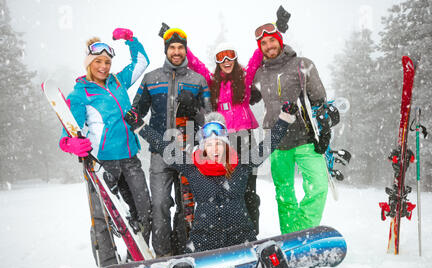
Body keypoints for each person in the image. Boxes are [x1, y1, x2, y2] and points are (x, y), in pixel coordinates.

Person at [125, 105, 299, 253]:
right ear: (203, 147)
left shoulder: (241, 164)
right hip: (205, 244)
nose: (215, 148)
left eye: (218, 144)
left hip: (242, 241)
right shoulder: (192, 167)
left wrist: (285, 118)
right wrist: (140, 126)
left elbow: (267, 145)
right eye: (209, 144)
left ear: (226, 145)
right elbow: (163, 146)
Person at [58, 28, 151, 267]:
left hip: (130, 157)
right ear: (89, 63)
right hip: (102, 162)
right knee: (103, 216)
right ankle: (108, 264)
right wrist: (72, 143)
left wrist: (131, 40)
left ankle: (136, 257)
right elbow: (67, 134)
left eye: (107, 62)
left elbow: (142, 62)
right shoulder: (80, 94)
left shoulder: (118, 81)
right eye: (98, 61)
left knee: (143, 208)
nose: (104, 66)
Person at [131, 28, 212, 257]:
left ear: (185, 50)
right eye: (172, 48)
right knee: (159, 205)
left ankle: (187, 250)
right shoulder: (151, 78)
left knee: (188, 206)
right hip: (160, 152)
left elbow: (211, 119)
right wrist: (133, 117)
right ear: (166, 50)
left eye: (180, 47)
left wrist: (195, 110)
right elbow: (137, 112)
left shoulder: (198, 80)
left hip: (189, 151)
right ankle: (163, 255)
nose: (176, 52)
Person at [252, 22, 329, 234]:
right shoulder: (260, 73)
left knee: (319, 187)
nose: (269, 46)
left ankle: (301, 230)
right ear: (260, 48)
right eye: (263, 43)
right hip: (276, 141)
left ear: (280, 39)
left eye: (272, 40)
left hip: (305, 137)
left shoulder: (302, 64)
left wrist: (325, 127)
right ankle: (289, 238)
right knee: (284, 194)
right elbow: (247, 97)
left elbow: (320, 101)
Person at [186, 42, 264, 235]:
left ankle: (251, 232)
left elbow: (256, 61)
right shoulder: (213, 82)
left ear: (235, 58)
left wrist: (274, 31)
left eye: (230, 56)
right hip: (223, 141)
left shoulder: (244, 78)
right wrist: (182, 43)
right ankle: (227, 231)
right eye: (221, 57)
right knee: (227, 188)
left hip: (244, 137)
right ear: (217, 61)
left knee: (249, 190)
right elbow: (197, 66)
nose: (226, 61)